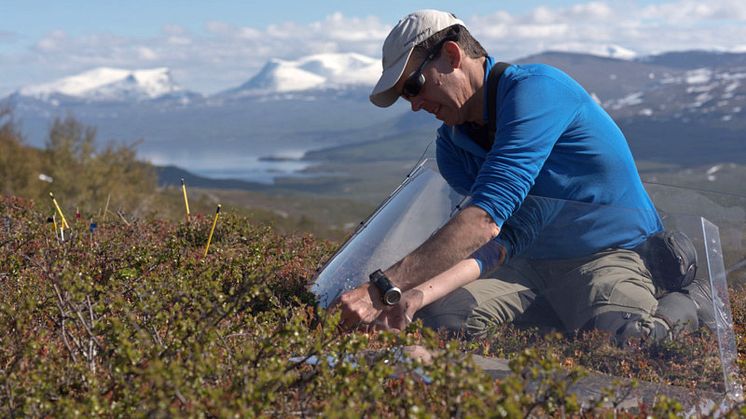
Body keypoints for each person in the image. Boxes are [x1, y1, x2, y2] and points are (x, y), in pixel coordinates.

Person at [335, 9, 702, 342]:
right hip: (525, 265)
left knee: (629, 341)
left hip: (607, 254)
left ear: (451, 55)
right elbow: (499, 238)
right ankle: (563, 317)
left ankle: (690, 303)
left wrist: (382, 288)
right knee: (441, 322)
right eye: (404, 97)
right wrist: (414, 296)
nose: (415, 104)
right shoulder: (452, 145)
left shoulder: (538, 91)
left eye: (413, 86)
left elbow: (482, 221)